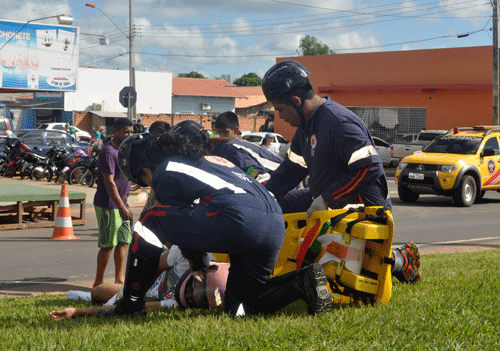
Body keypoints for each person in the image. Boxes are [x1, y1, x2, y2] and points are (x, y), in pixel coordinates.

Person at [96, 120, 332, 318]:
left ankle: (130, 305)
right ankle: (302, 282)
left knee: (149, 220)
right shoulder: (214, 161)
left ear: (146, 169)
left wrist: (199, 265)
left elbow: (181, 228)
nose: (150, 184)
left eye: (144, 179)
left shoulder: (164, 171)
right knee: (239, 308)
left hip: (238, 220)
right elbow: (189, 221)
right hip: (273, 222)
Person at [261, 60, 421, 284]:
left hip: (362, 210)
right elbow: (290, 172)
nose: (280, 116)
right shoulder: (304, 130)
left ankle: (400, 260)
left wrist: (328, 199)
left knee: (344, 270)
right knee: (276, 203)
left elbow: (370, 167)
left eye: (280, 109)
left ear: (296, 101)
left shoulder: (337, 122)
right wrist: (259, 196)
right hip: (327, 206)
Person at [92, 118, 134, 288]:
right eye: (126, 131)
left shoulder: (126, 149)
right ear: (115, 131)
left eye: (131, 131)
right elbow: (109, 182)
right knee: (108, 244)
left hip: (123, 203)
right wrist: (121, 207)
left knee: (124, 241)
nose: (129, 135)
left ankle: (119, 279)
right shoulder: (108, 151)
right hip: (109, 204)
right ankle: (98, 282)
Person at [211, 111, 283, 183]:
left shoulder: (235, 149)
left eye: (225, 132)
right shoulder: (233, 145)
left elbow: (257, 174)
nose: (222, 136)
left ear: (235, 130)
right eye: (219, 133)